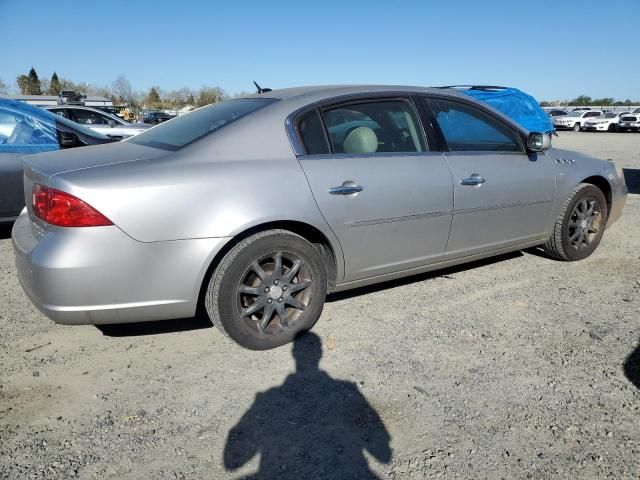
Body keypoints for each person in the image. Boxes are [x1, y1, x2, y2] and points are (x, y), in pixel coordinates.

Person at [224, 332, 392, 479]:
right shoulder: (348, 389)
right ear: (320, 355)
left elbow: (231, 463)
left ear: (294, 355)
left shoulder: (266, 398)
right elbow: (384, 455)